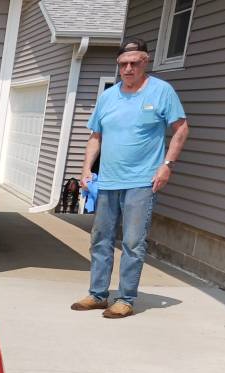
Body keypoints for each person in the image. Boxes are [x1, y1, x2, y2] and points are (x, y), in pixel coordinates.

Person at [72, 39, 189, 318]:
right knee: (100, 239)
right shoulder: (108, 96)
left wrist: (167, 165)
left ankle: (125, 298)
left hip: (142, 181)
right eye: (123, 64)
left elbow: (182, 128)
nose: (128, 68)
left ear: (145, 62)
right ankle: (98, 294)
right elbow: (95, 136)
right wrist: (86, 168)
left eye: (134, 63)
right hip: (108, 180)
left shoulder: (162, 92)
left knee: (133, 242)